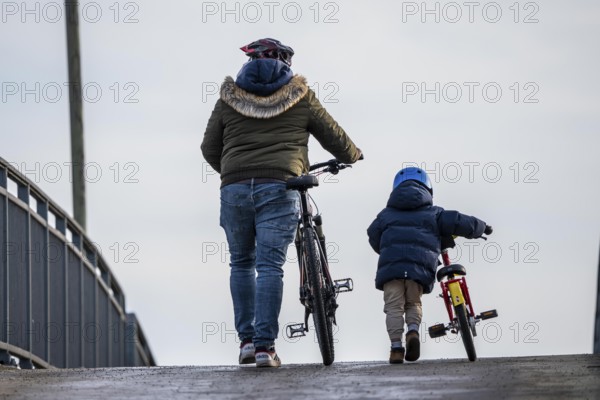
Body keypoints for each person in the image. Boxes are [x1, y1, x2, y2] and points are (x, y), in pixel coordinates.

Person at [201, 38, 362, 368]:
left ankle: (247, 343)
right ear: (286, 64)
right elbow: (333, 135)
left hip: (234, 189)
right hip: (280, 184)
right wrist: (352, 155)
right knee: (270, 266)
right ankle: (265, 348)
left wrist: (233, 172)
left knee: (241, 262)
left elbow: (208, 147)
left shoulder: (228, 98)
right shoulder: (301, 95)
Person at [366, 167, 492, 364]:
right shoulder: (434, 213)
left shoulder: (385, 215)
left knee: (393, 307)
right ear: (427, 188)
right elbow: (459, 221)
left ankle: (396, 348)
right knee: (413, 303)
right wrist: (482, 227)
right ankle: (413, 331)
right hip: (418, 269)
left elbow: (373, 236)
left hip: (391, 270)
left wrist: (387, 251)